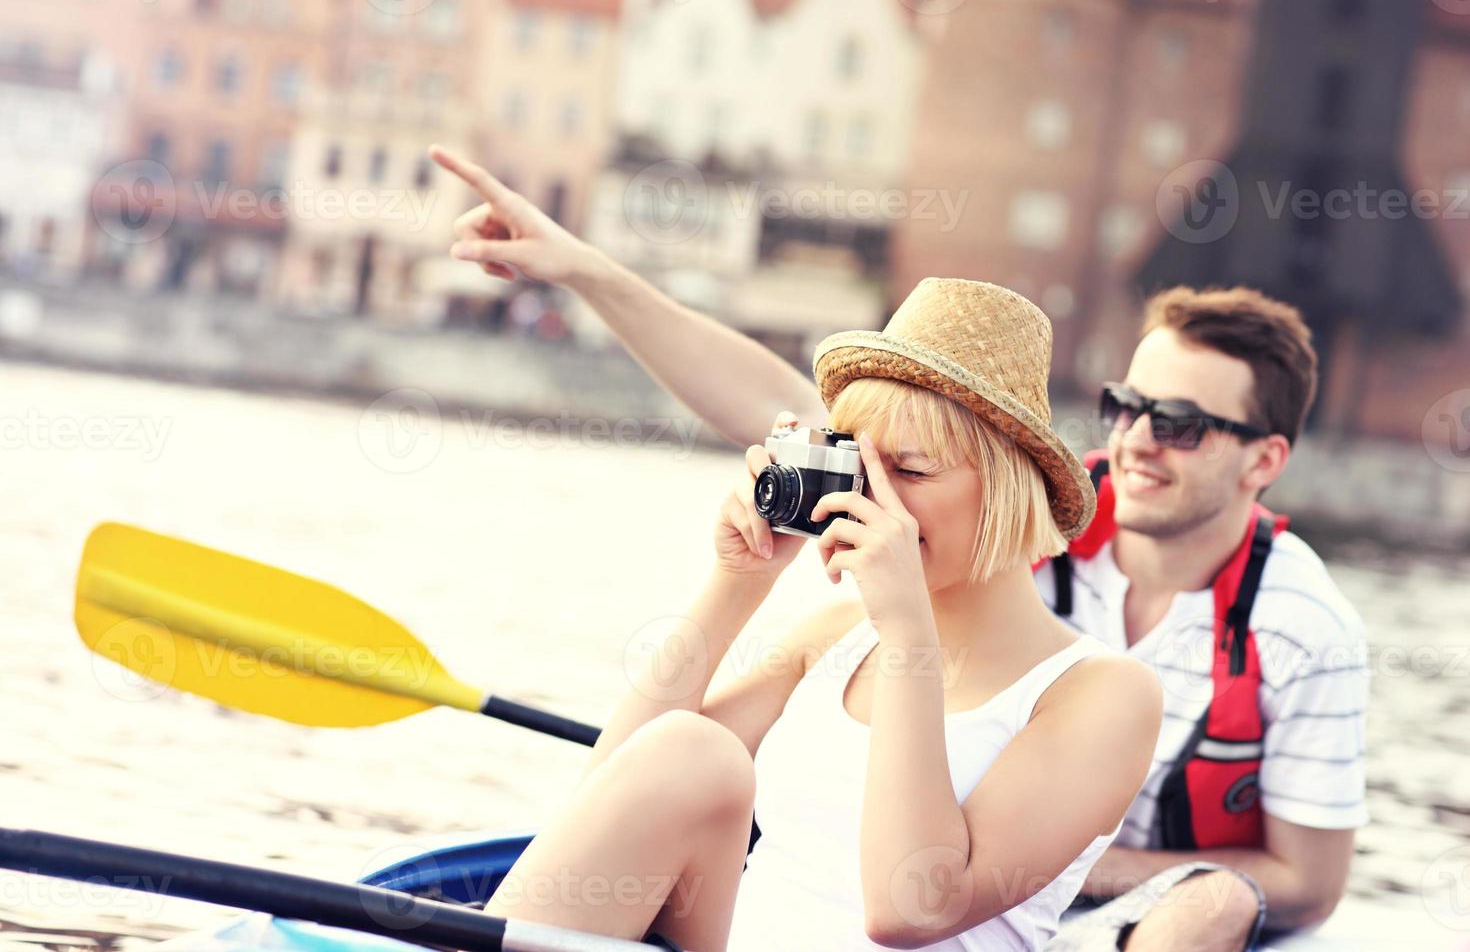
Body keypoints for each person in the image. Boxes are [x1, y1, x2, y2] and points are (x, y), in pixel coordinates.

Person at [428, 145, 1370, 952]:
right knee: (686, 753)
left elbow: (907, 910)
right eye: (856, 465)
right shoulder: (848, 618)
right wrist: (733, 587)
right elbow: (605, 807)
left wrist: (911, 632)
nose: (869, 496)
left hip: (1100, 901)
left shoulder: (1120, 685)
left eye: (909, 470)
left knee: (1211, 904)